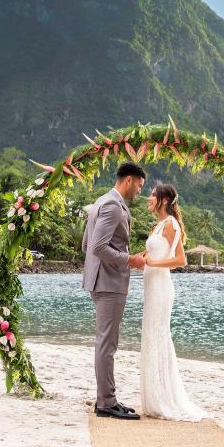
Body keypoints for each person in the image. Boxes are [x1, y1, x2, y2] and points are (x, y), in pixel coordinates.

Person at [82, 162, 146, 420]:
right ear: (128, 180)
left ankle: (106, 398)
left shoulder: (101, 200)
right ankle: (106, 403)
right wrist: (130, 260)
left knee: (106, 342)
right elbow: (97, 247)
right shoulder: (112, 205)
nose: (140, 191)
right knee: (107, 344)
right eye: (140, 185)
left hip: (101, 280)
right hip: (109, 282)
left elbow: (87, 243)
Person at [140, 183, 207, 421]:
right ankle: (153, 397)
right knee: (151, 334)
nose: (149, 198)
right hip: (151, 285)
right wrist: (141, 259)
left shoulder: (171, 224)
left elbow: (180, 260)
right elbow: (154, 254)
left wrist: (153, 264)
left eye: (152, 195)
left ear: (164, 200)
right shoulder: (157, 226)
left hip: (161, 286)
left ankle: (163, 398)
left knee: (159, 334)